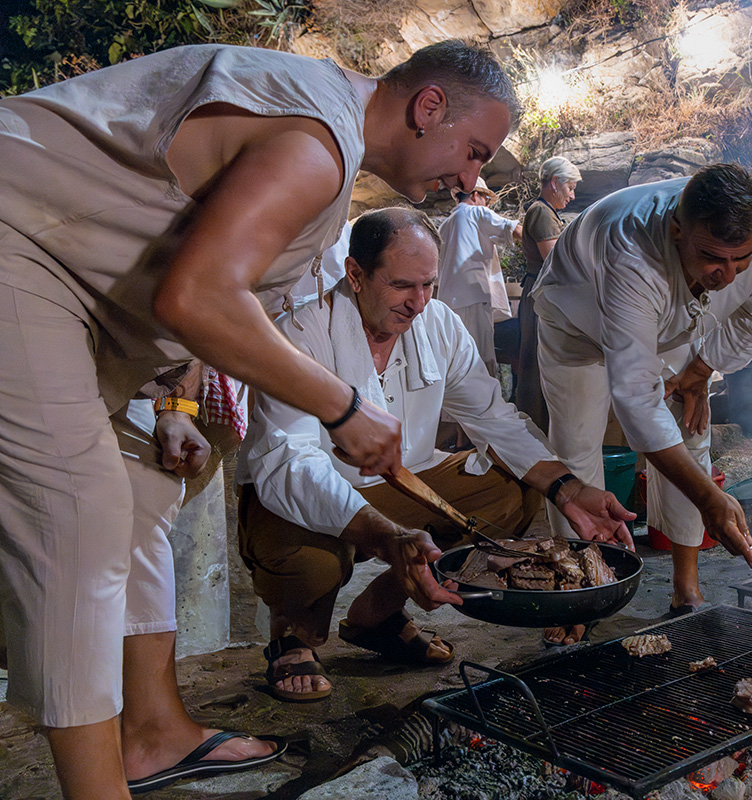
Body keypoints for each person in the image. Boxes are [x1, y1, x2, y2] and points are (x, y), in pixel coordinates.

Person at [0, 38, 519, 799]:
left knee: (144, 490)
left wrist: (174, 400)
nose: (471, 178)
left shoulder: (324, 139)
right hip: (16, 248)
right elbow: (197, 297)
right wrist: (341, 407)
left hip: (70, 286)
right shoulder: (318, 141)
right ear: (429, 106)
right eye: (474, 151)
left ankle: (151, 733)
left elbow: (199, 277)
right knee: (80, 508)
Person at [237, 207, 635, 701]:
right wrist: (387, 537)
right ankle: (294, 635)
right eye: (404, 286)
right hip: (299, 497)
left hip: (402, 482)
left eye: (429, 285)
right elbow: (289, 463)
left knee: (514, 494)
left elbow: (494, 416)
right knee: (312, 561)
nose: (419, 302)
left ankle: (376, 616)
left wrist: (569, 490)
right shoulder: (300, 333)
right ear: (356, 275)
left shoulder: (439, 324)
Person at [533, 163, 752, 616]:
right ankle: (578, 595)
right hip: (575, 320)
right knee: (576, 449)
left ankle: (686, 586)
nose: (728, 276)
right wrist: (712, 499)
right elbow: (635, 398)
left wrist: (700, 369)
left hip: (671, 323)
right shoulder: (632, 249)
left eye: (740, 261)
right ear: (676, 230)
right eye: (713, 258)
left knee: (691, 431)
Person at [515, 156, 581, 432]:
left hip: (541, 292)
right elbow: (555, 260)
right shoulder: (541, 212)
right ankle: (538, 432)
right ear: (555, 183)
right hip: (541, 295)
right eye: (570, 188)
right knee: (537, 362)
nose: (572, 195)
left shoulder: (545, 211)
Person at [437, 176, 522, 378]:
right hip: (473, 298)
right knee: (480, 361)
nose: (487, 204)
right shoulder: (476, 212)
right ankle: (484, 409)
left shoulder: (444, 226)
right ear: (476, 195)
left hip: (447, 303)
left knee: (453, 364)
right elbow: (515, 230)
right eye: (486, 199)